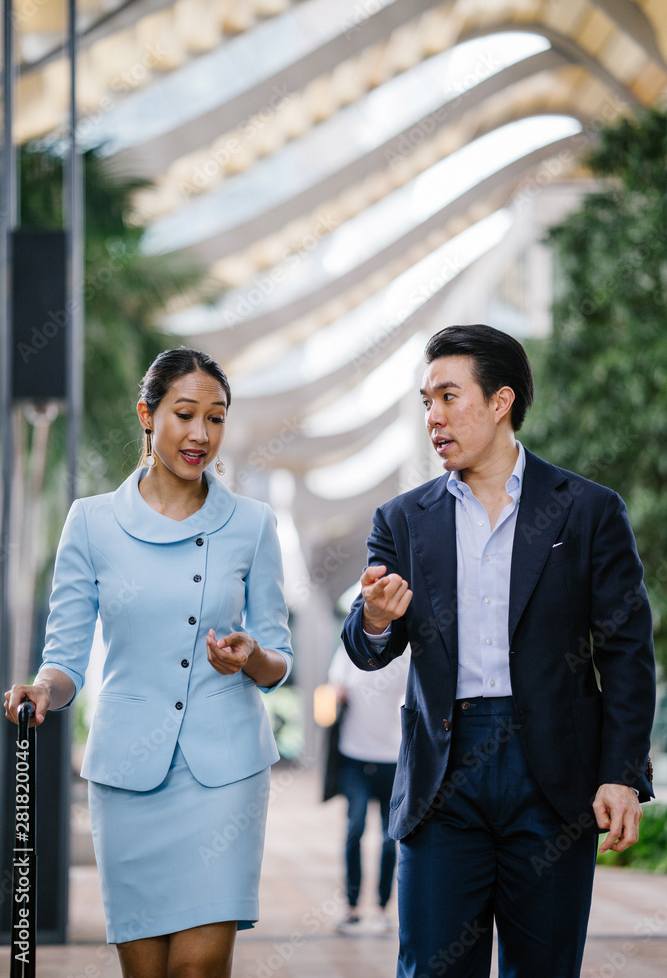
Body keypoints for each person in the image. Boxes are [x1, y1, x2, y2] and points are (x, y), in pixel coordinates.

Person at [341, 324, 655, 978]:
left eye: (447, 397)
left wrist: (620, 774)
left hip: (552, 778)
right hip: (441, 773)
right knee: (431, 968)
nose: (432, 417)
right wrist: (372, 619)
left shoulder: (588, 511)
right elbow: (371, 647)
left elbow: (626, 651)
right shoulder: (401, 519)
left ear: (499, 402)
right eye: (425, 401)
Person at [5, 347, 293, 978]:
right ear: (147, 414)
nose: (200, 434)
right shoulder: (92, 523)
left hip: (226, 773)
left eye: (215, 419)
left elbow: (279, 660)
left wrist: (250, 658)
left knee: (198, 969)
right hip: (130, 772)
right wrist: (43, 689)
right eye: (185, 414)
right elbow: (65, 657)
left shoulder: (251, 524)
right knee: (146, 973)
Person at [327, 644, 409, 933]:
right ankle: (351, 907)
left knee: (390, 838)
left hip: (392, 759)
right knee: (354, 829)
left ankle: (382, 908)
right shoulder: (349, 650)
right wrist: (333, 697)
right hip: (355, 758)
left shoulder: (406, 653)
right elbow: (331, 693)